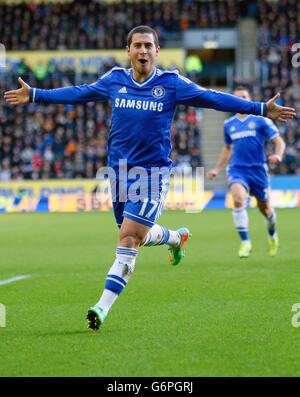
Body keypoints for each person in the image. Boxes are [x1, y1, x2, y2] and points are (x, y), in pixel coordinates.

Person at [4, 26, 296, 330]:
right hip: (118, 173)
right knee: (138, 236)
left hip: (153, 174)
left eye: (148, 46)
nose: (143, 51)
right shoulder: (115, 79)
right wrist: (36, 94)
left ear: (157, 51)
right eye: (137, 46)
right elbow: (80, 93)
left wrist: (260, 108)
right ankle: (175, 237)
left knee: (128, 238)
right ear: (128, 50)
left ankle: (100, 308)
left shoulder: (171, 83)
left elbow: (211, 98)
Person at [206, 86, 286, 258]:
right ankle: (245, 242)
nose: (241, 99)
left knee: (265, 209)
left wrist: (278, 155)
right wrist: (216, 169)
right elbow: (227, 149)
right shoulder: (228, 124)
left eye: (244, 96)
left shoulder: (261, 120)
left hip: (258, 170)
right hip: (237, 169)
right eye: (238, 97)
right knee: (238, 198)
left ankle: (272, 236)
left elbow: (279, 142)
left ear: (250, 99)